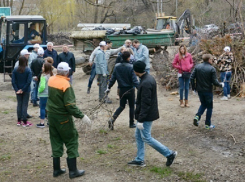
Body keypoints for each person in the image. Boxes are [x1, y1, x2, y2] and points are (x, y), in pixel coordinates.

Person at [127, 61, 177, 167]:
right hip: (146, 114)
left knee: (146, 137)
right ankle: (140, 159)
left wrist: (140, 120)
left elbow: (146, 103)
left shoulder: (146, 83)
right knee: (138, 136)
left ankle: (169, 154)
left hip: (146, 115)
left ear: (136, 71)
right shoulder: (148, 78)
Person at [46, 62, 91, 179]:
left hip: (51, 115)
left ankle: (56, 170)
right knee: (71, 140)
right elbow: (70, 105)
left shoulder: (51, 80)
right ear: (66, 72)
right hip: (63, 117)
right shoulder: (66, 84)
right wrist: (82, 116)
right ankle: (73, 171)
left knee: (55, 139)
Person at [105, 51, 139, 130]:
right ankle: (131, 123)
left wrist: (108, 87)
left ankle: (112, 119)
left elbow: (113, 79)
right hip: (130, 89)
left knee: (121, 106)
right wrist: (139, 89)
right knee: (131, 106)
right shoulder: (131, 67)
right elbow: (135, 81)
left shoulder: (117, 66)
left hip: (121, 90)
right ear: (128, 58)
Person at [191, 54, 224, 130]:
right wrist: (221, 85)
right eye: (212, 59)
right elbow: (215, 82)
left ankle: (197, 116)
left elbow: (192, 78)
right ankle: (207, 124)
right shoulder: (211, 69)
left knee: (203, 104)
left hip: (199, 90)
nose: (212, 60)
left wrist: (194, 88)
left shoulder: (197, 67)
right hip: (208, 90)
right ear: (209, 59)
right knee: (209, 107)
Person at [12, 56, 33, 127]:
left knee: (19, 104)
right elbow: (28, 81)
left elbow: (13, 81)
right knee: (24, 105)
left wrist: (17, 89)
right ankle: (24, 121)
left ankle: (19, 120)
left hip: (18, 89)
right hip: (26, 90)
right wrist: (23, 89)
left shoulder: (15, 70)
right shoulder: (28, 70)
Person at [37, 63, 53, 128]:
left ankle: (42, 122)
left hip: (43, 94)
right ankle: (49, 122)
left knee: (42, 108)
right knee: (49, 108)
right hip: (50, 94)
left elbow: (42, 86)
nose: (42, 68)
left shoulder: (43, 76)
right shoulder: (51, 76)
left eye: (43, 67)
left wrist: (39, 91)